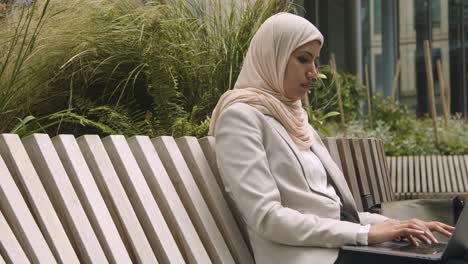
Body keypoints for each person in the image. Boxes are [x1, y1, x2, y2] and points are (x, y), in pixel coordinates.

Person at [208, 12, 453, 264]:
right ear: (273, 57)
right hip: (307, 256)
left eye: (315, 62)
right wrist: (365, 233)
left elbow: (334, 213)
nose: (313, 73)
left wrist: (396, 224)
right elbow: (268, 218)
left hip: (338, 248)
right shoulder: (240, 119)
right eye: (303, 60)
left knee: (449, 254)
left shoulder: (294, 117)